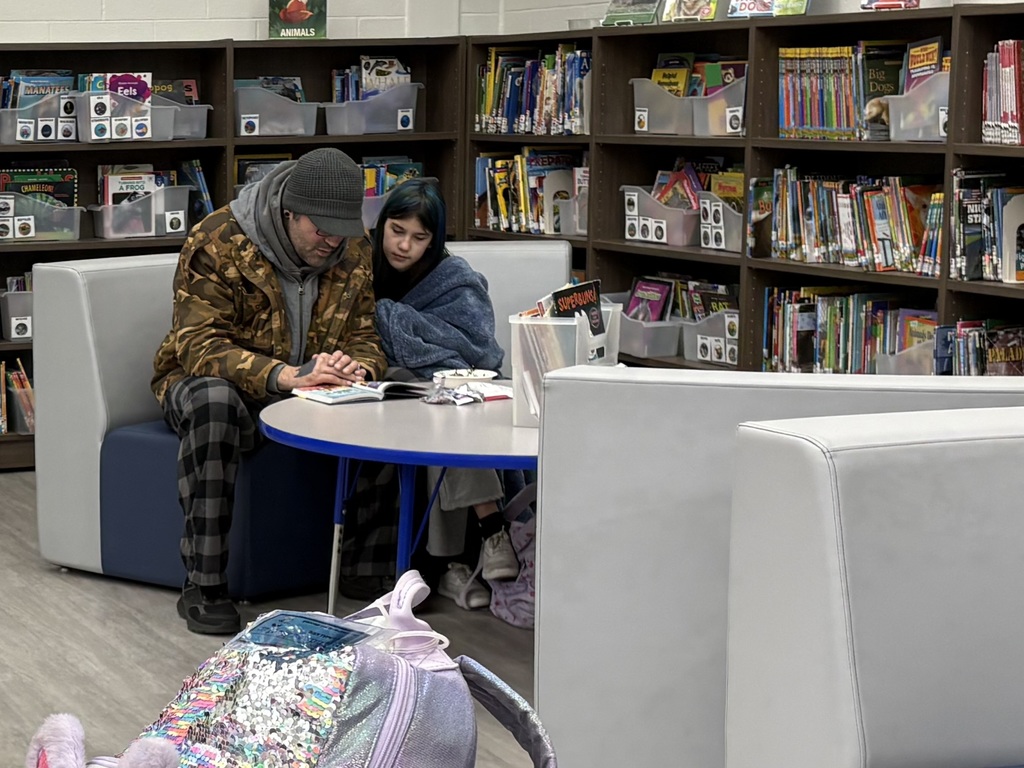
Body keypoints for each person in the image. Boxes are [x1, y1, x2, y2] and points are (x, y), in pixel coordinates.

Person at [152, 147, 387, 635]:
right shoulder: (216, 238)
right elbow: (199, 345)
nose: (331, 242)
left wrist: (355, 367)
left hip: (309, 384)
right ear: (288, 212)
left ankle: (367, 571)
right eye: (319, 230)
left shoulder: (353, 245)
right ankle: (204, 586)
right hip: (209, 381)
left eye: (340, 232)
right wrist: (285, 375)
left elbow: (365, 335)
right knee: (213, 403)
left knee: (383, 397)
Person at [369, 178, 521, 609]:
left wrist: (396, 323)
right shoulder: (360, 267)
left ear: (434, 242)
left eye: (419, 238)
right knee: (435, 404)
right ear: (382, 225)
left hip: (454, 387)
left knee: (442, 411)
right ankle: (488, 534)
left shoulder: (453, 279)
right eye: (397, 231)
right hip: (388, 389)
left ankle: (453, 563)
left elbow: (478, 348)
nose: (404, 246)